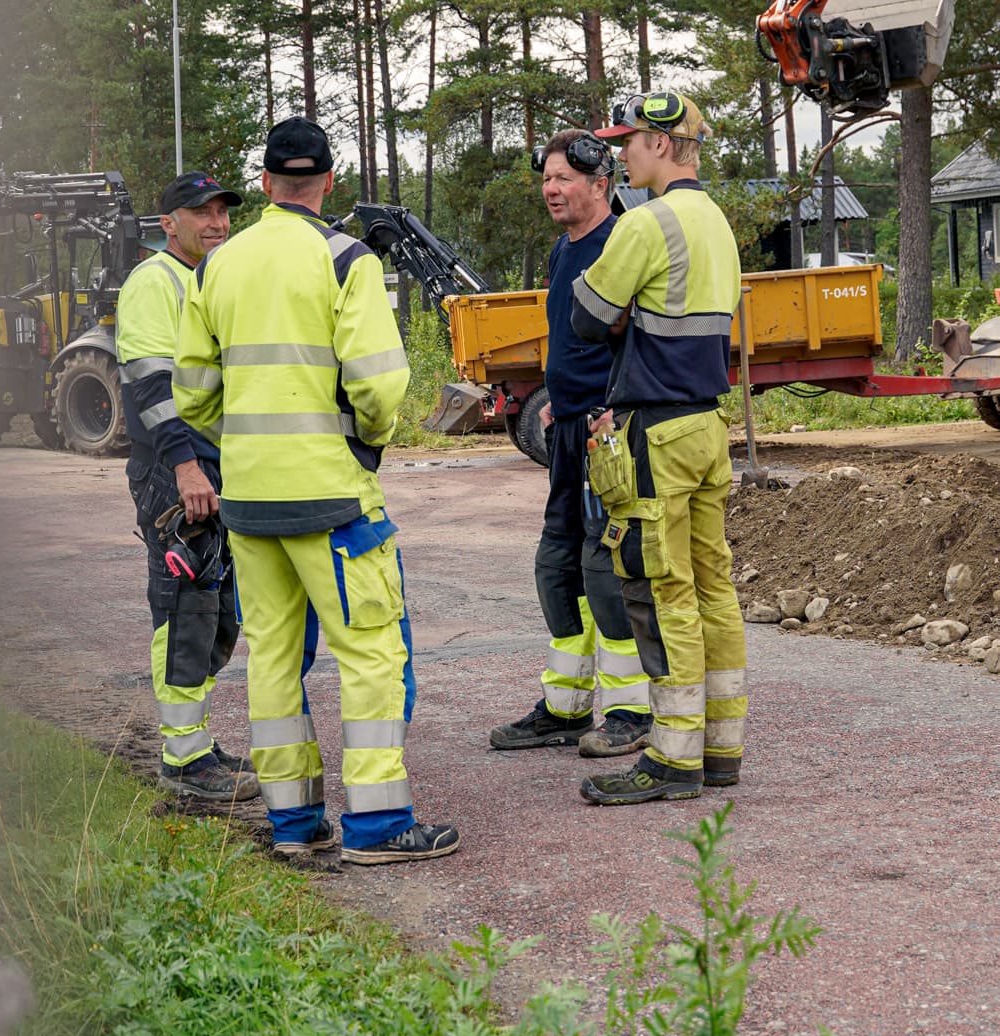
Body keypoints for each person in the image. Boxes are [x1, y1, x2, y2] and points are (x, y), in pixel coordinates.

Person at [172, 117, 459, 865]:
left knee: (271, 658)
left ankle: (294, 826)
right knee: (369, 655)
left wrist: (242, 439)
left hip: (249, 500)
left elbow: (193, 392)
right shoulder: (345, 258)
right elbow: (380, 382)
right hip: (332, 497)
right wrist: (365, 438)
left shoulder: (215, 267)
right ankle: (378, 827)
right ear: (330, 181)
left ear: (264, 184)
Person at [570, 92, 748, 804]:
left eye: (630, 144)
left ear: (664, 145)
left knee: (660, 587)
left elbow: (587, 317)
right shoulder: (718, 224)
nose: (621, 156)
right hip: (708, 425)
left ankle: (673, 758)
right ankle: (720, 747)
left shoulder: (646, 223)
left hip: (657, 432)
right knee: (714, 585)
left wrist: (618, 317)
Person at [489, 129, 649, 756]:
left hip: (607, 437)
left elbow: (640, 340)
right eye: (547, 179)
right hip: (568, 432)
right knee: (556, 568)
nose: (551, 189)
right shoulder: (564, 250)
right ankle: (566, 707)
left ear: (601, 184)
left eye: (564, 179)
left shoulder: (621, 244)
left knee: (604, 569)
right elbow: (572, 335)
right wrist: (560, 396)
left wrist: (611, 407)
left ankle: (633, 712)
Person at [115, 170, 259, 803]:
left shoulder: (212, 278)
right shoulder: (155, 282)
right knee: (184, 605)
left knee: (216, 610)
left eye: (223, 212)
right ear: (168, 223)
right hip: (175, 473)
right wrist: (185, 466)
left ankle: (196, 740)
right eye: (202, 212)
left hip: (212, 467)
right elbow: (148, 384)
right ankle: (183, 760)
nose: (217, 222)